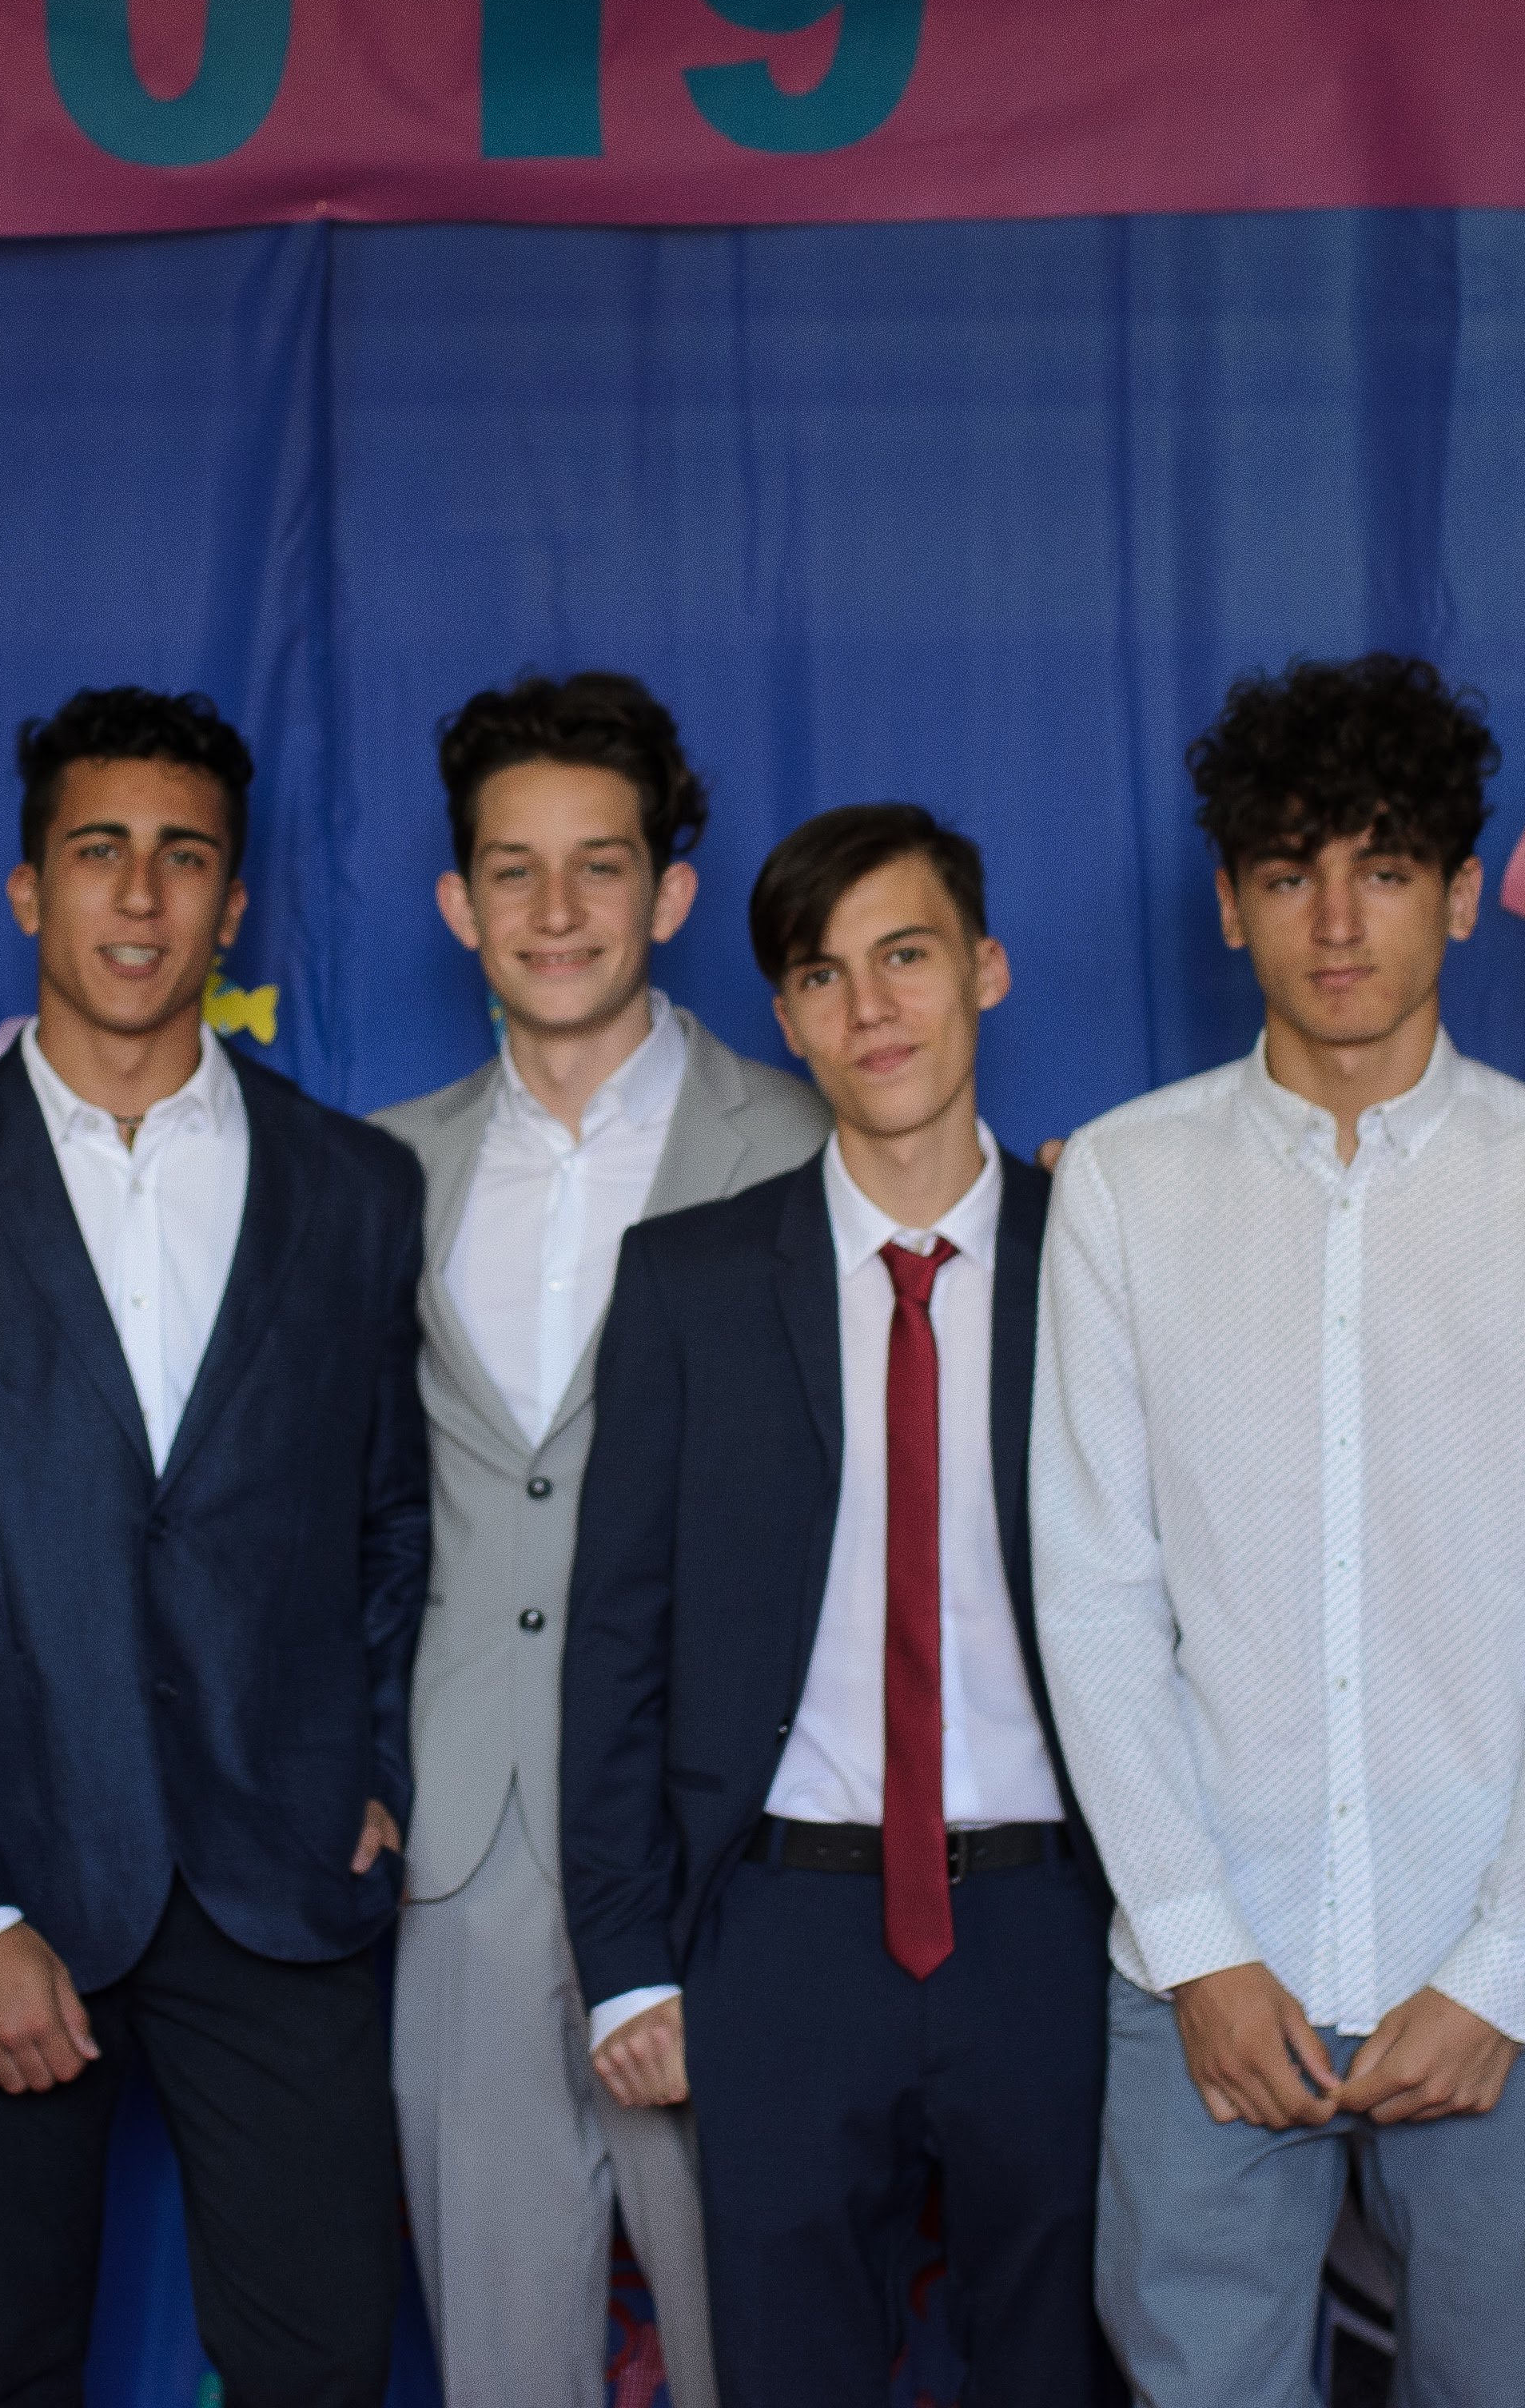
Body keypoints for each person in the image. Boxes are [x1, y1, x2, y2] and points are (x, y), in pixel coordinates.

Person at [1034, 655, 1525, 2403]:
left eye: (1382, 869)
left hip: (1517, 1976)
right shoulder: (1124, 1184)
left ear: (1460, 894)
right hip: (1211, 1965)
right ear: (1228, 902)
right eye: (1288, 871)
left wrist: (1500, 1970)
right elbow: (1093, 1596)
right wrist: (1198, 1948)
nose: (1334, 921)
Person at [0, 687, 430, 2408]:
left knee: (324, 2371)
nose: (140, 896)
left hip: (283, 1889)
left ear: (234, 901)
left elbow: (391, 1522)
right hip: (8, 1886)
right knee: (6, 2369)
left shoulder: (356, 1189)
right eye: (98, 852)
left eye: (183, 857)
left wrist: (375, 1764)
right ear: (29, 890)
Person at [563, 803, 1112, 2407]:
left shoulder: (1107, 1255)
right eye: (822, 976)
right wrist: (626, 1960)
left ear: (986, 969)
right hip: (785, 1930)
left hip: (1056, 1923)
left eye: (907, 957)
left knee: (1060, 2369)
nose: (871, 1009)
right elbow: (617, 1641)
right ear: (787, 1018)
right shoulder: (689, 1282)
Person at [375, 672, 825, 2408]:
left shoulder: (814, 1145)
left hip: (732, 1851)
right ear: (458, 903)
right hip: (467, 1849)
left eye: (600, 865)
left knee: (758, 2349)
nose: (555, 910)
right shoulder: (378, 1174)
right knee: (501, 2362)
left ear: (671, 892)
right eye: (514, 870)